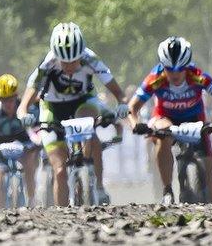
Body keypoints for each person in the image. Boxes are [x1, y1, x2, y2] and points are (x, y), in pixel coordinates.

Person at [16, 22, 128, 206]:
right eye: (64, 61)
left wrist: (122, 104)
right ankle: (62, 218)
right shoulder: (48, 63)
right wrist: (23, 113)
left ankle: (99, 187)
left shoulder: (90, 58)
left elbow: (118, 92)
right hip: (52, 107)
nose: (69, 66)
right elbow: (27, 98)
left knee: (90, 128)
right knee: (60, 171)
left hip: (82, 101)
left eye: (74, 61)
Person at [127, 36, 212, 204]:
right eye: (169, 69)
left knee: (208, 176)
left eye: (180, 69)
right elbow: (132, 108)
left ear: (187, 65)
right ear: (162, 66)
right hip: (166, 118)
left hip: (195, 119)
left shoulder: (197, 76)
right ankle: (167, 190)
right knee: (162, 134)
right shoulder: (155, 78)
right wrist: (135, 124)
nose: (175, 74)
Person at [0, 74, 39, 209]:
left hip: (23, 145)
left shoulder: (26, 107)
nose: (8, 104)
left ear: (16, 96)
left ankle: (32, 202)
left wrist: (38, 140)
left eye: (11, 99)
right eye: (3, 100)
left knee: (29, 164)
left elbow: (38, 128)